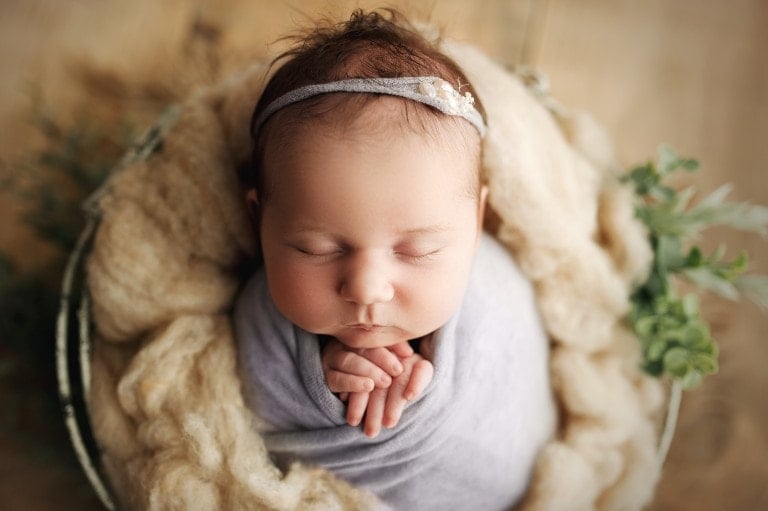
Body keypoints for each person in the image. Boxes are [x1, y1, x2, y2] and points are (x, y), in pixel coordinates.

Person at [234, 9, 555, 510]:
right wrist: (318, 381)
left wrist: (430, 378)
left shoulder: (497, 285)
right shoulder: (258, 317)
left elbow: (517, 378)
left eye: (418, 250)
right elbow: (240, 413)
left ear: (475, 224)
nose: (366, 287)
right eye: (318, 248)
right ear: (259, 220)